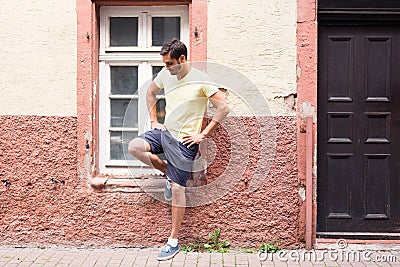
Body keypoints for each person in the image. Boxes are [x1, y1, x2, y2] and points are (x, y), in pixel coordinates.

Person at [128, 38, 229, 261]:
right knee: (134, 147)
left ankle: (173, 241)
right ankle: (167, 171)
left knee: (177, 189)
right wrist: (154, 120)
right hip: (165, 133)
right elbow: (150, 93)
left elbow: (223, 108)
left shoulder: (202, 81)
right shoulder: (166, 75)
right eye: (164, 64)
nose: (166, 68)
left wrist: (203, 134)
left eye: (169, 63)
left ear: (181, 59)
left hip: (185, 142)